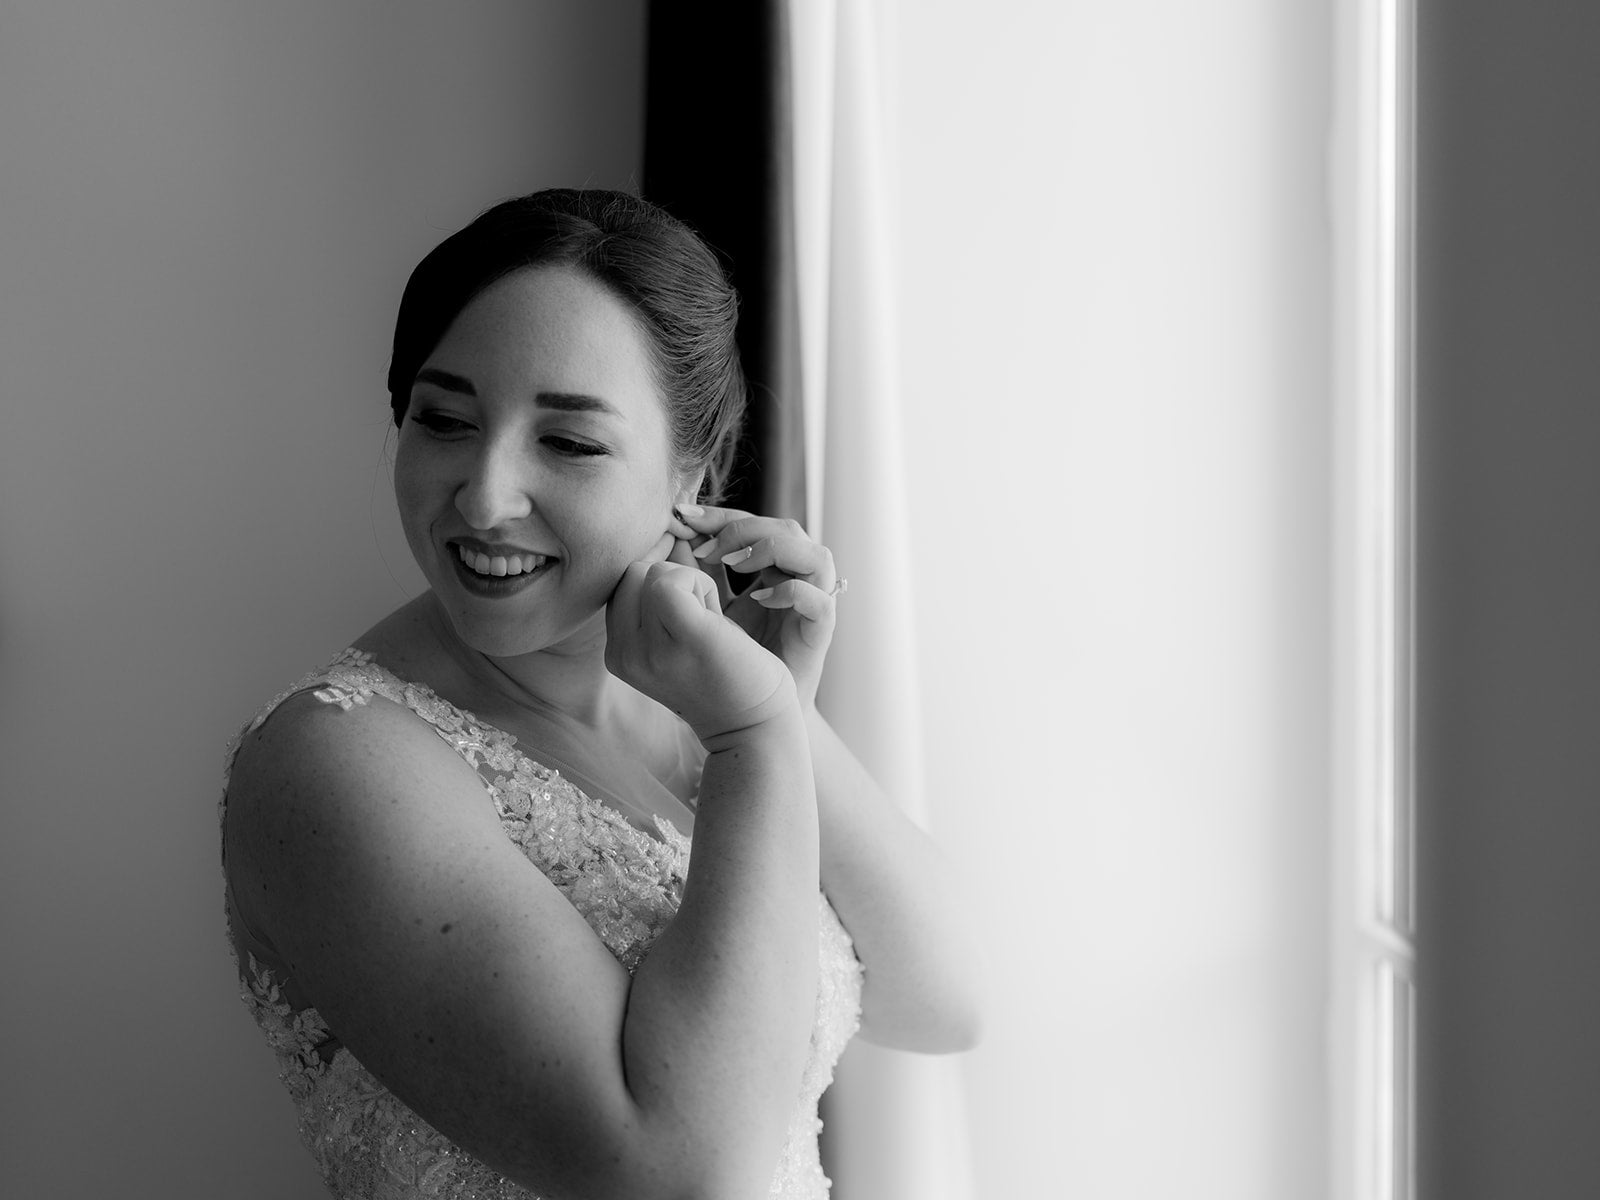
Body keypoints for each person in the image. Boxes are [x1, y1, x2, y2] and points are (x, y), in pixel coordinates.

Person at [220, 188, 981, 1200]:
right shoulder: (334, 762)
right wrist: (755, 735)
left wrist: (779, 707)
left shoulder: (700, 702)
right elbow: (679, 1172)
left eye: (569, 442)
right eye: (444, 420)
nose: (485, 496)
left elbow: (944, 1003)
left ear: (692, 480)